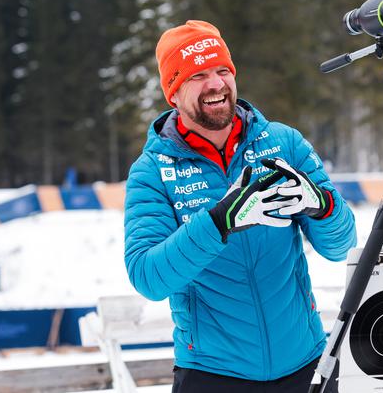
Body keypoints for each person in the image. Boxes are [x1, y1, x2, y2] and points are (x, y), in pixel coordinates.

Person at [124, 20, 357, 393]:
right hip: (212, 374)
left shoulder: (285, 143)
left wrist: (321, 204)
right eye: (198, 75)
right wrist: (219, 221)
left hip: (306, 364)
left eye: (222, 71)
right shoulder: (153, 171)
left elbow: (341, 246)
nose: (216, 84)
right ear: (173, 90)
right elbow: (148, 277)